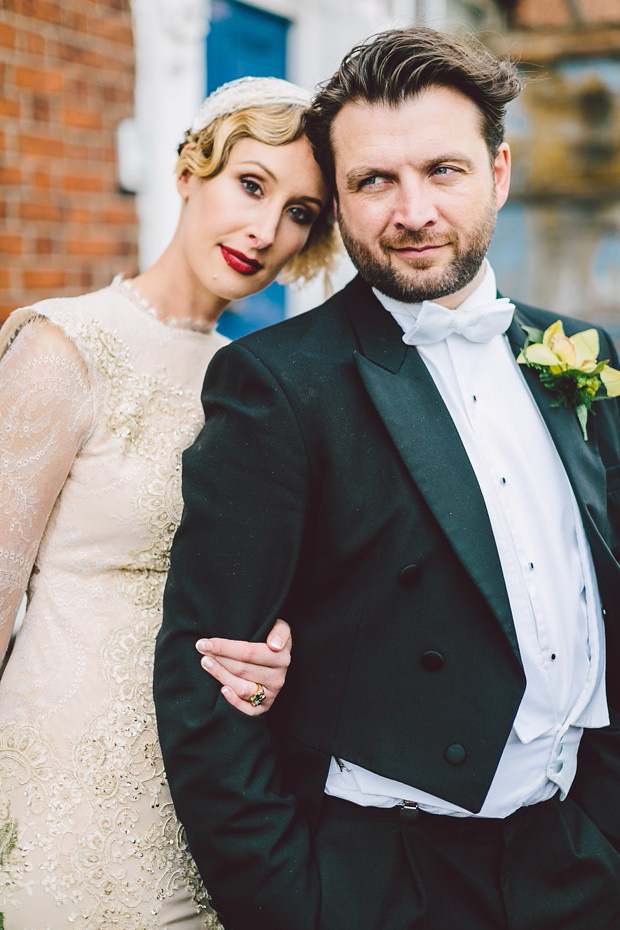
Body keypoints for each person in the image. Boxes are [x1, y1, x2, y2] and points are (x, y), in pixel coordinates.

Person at [154, 27, 620, 930]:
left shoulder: (585, 359)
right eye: (374, 180)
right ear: (339, 197)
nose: (412, 210)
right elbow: (205, 683)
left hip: (576, 865)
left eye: (442, 170)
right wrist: (295, 906)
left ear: (500, 171)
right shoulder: (279, 385)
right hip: (386, 880)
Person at [0, 76, 337, 928]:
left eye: (299, 212)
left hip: (214, 792)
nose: (265, 232)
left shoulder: (269, 382)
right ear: (191, 171)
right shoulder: (63, 346)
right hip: (62, 779)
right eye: (251, 186)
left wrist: (279, 653)